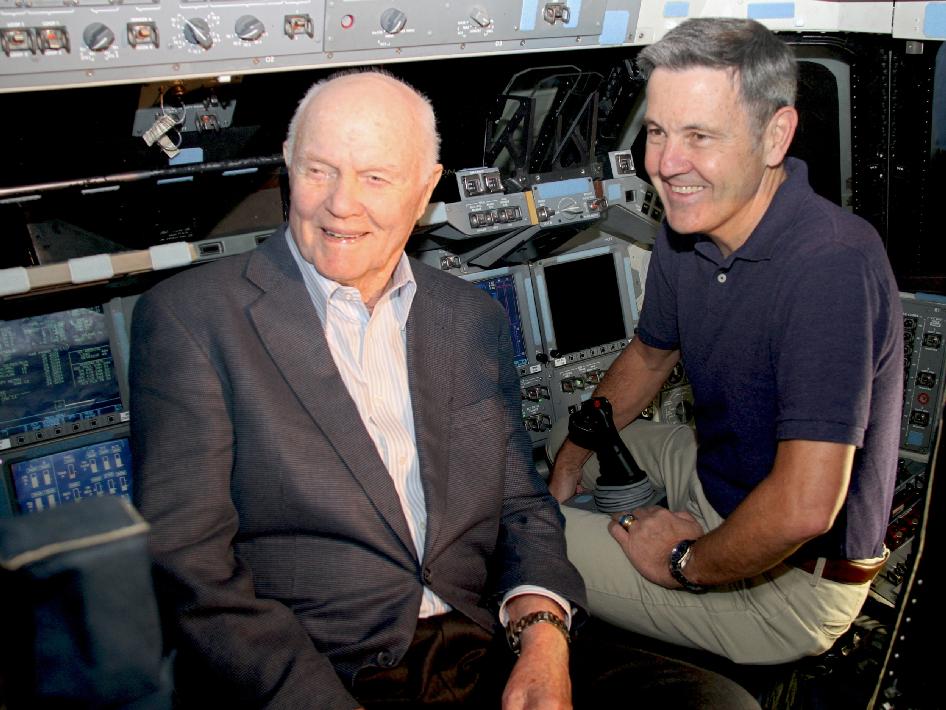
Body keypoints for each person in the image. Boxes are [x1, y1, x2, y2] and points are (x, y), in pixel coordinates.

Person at [130, 70, 759, 708]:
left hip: (478, 638)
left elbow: (520, 502)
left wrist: (543, 637)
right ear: (288, 169)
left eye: (376, 178)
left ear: (426, 189)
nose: (341, 204)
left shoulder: (467, 318)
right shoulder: (195, 317)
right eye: (319, 170)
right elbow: (190, 568)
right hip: (326, 666)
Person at [548, 18, 903, 666]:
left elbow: (802, 509)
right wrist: (569, 466)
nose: (666, 164)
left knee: (522, 538)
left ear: (775, 135)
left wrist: (682, 560)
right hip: (720, 480)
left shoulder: (830, 266)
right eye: (658, 131)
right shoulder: (688, 227)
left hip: (796, 584)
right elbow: (650, 357)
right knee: (553, 446)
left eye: (699, 136)